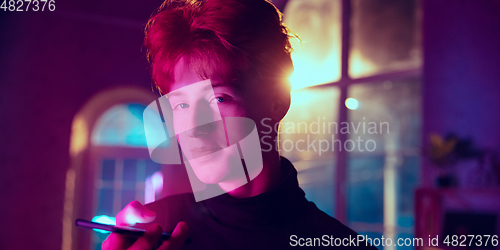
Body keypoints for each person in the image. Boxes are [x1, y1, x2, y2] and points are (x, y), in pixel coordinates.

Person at [103, 0, 377, 249]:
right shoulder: (154, 230)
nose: (195, 128)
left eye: (219, 99)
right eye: (181, 104)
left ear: (277, 101)